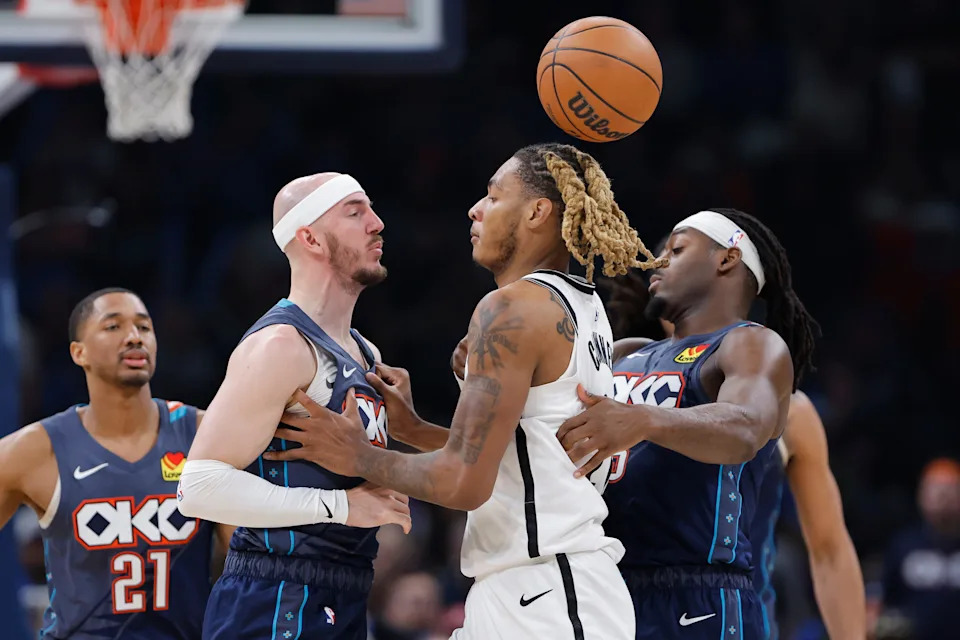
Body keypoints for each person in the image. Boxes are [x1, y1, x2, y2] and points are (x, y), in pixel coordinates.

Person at [261, 143, 664, 639]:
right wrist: (414, 430)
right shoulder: (583, 305)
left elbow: (463, 483)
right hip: (534, 586)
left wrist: (357, 455)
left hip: (548, 592)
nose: (475, 209)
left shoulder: (511, 308)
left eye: (493, 196)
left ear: (537, 212)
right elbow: (522, 457)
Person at [554, 209, 819, 639]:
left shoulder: (750, 343)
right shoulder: (624, 353)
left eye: (676, 250)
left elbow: (745, 428)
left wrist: (643, 419)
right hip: (601, 586)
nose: (658, 262)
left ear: (727, 259)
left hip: (698, 594)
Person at [176, 172, 412, 640]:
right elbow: (198, 488)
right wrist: (340, 506)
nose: (377, 223)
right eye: (355, 212)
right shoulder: (281, 346)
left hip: (344, 591)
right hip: (275, 594)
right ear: (310, 238)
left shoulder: (367, 354)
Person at [604, 264, 866, 639]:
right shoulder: (617, 379)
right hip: (616, 606)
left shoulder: (789, 410)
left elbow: (829, 549)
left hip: (728, 613)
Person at [0, 287, 230, 639]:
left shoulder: (204, 435)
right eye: (113, 326)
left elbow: (247, 564)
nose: (134, 337)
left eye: (144, 327)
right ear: (79, 352)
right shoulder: (35, 449)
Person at [881, 457, 960, 640]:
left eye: (950, 490)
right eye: (936, 490)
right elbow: (885, 601)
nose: (943, 497)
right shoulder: (904, 546)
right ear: (921, 496)